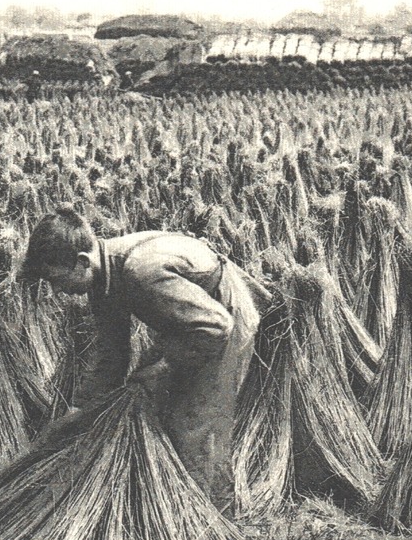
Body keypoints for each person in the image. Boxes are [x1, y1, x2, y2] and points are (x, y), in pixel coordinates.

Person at [20, 204, 270, 511]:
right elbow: (111, 355)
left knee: (193, 425)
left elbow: (215, 327)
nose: (58, 291)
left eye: (57, 279)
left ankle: (213, 518)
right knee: (158, 409)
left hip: (220, 318)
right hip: (186, 326)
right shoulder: (102, 278)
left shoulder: (140, 272)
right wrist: (79, 409)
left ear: (83, 261)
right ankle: (171, 508)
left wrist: (163, 368)